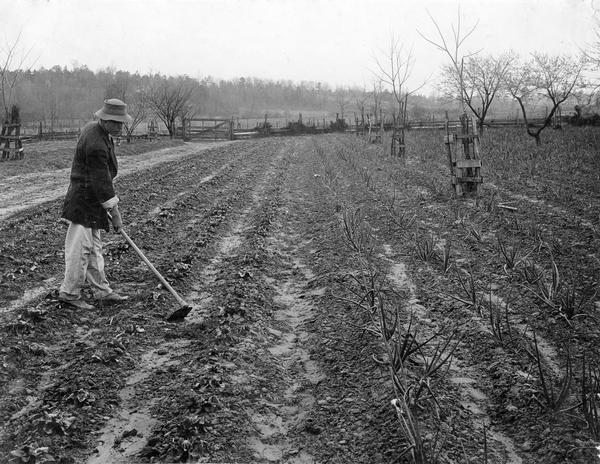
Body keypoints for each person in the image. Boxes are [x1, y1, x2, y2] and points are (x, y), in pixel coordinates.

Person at [58, 98, 133, 310]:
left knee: (93, 249)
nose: (120, 127)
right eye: (116, 123)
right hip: (83, 201)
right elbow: (102, 181)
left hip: (93, 201)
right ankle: (69, 293)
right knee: (79, 249)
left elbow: (103, 179)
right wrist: (115, 212)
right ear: (105, 119)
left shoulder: (100, 132)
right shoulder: (96, 143)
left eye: (122, 123)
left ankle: (102, 291)